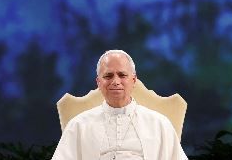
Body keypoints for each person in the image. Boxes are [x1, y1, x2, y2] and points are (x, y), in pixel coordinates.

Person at [52, 49, 187, 160]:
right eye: (108, 76)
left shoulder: (159, 124)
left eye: (122, 75)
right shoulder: (78, 125)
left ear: (133, 80)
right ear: (98, 82)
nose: (116, 82)